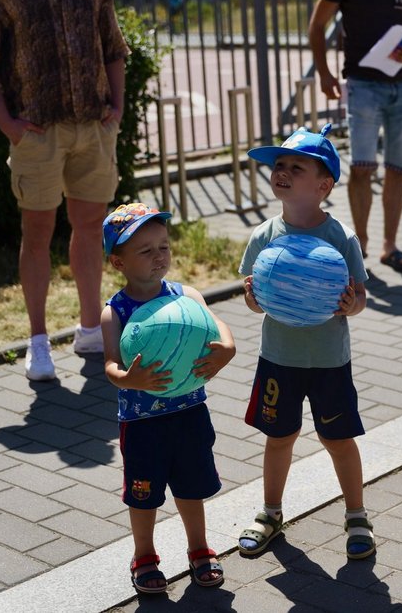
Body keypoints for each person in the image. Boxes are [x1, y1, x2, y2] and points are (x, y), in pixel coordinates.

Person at [0, 0, 129, 380]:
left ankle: (91, 329)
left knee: (91, 226)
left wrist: (117, 108)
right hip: (36, 131)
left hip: (93, 127)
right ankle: (38, 341)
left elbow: (113, 47)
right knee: (37, 231)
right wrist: (7, 124)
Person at [237, 124, 374, 560]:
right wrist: (252, 298)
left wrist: (351, 304)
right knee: (279, 438)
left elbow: (360, 298)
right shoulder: (264, 236)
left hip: (329, 361)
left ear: (323, 186)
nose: (282, 172)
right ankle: (270, 513)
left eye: (297, 167)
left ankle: (357, 515)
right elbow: (256, 303)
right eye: (279, 165)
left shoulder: (340, 238)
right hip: (279, 358)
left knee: (338, 440)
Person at [100, 203, 236, 595]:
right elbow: (110, 364)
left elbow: (217, 326)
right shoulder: (116, 311)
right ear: (118, 262)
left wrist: (226, 347)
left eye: (163, 246)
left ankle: (199, 548)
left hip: (190, 413)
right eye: (146, 250)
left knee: (191, 487)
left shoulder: (185, 295)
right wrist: (129, 378)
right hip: (142, 423)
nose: (159, 255)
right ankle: (144, 555)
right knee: (143, 493)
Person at [308, 0, 402, 273]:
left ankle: (390, 246)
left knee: (398, 168)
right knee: (362, 167)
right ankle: (360, 245)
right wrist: (324, 73)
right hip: (362, 86)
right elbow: (317, 25)